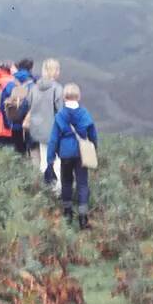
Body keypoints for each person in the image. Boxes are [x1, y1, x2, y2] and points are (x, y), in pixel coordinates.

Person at [46, 83, 98, 230]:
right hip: (82, 153)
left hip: (66, 154)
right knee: (82, 184)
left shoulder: (60, 116)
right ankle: (83, 218)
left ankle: (67, 214)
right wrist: (94, 147)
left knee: (66, 182)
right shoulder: (85, 114)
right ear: (79, 97)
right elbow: (93, 134)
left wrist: (51, 158)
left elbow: (53, 139)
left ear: (64, 98)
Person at [25, 58, 63, 191]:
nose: (59, 72)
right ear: (54, 71)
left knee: (44, 160)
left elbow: (29, 104)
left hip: (37, 130)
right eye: (57, 69)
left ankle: (44, 188)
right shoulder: (57, 88)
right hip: (53, 130)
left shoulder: (34, 88)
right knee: (57, 160)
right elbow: (61, 110)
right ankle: (58, 190)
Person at [0, 58, 36, 155]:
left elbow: (2, 105)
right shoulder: (34, 84)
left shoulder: (10, 85)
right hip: (32, 125)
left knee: (19, 154)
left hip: (15, 124)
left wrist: (7, 124)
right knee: (34, 153)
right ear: (31, 69)